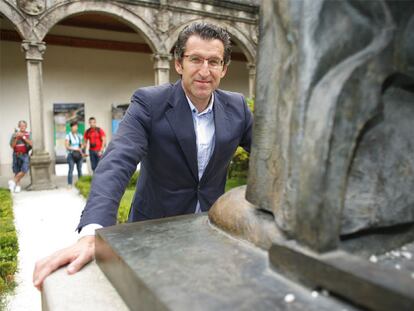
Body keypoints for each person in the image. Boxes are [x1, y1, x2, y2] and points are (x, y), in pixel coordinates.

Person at [33, 22, 253, 289]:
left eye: (214, 61)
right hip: (153, 231)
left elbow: (269, 158)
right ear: (179, 64)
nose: (204, 71)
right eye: (195, 59)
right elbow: (118, 161)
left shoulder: (238, 107)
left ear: (224, 68)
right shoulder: (149, 103)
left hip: (209, 230)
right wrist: (93, 232)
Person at [8, 120, 32, 193]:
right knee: (17, 170)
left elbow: (31, 144)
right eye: (21, 125)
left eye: (24, 125)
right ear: (19, 126)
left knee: (24, 169)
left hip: (24, 154)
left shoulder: (28, 134)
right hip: (16, 154)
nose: (22, 127)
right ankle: (17, 186)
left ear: (26, 126)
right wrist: (17, 138)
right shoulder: (14, 134)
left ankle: (12, 181)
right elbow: (12, 146)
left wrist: (23, 137)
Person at [65, 121, 84, 187]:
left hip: (79, 154)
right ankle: (69, 184)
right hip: (71, 154)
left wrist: (81, 149)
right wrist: (76, 149)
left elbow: (81, 145)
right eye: (73, 126)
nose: (75, 128)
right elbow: (67, 146)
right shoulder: (68, 135)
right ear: (71, 127)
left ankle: (81, 183)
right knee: (71, 169)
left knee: (79, 169)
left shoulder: (79, 135)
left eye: (76, 126)